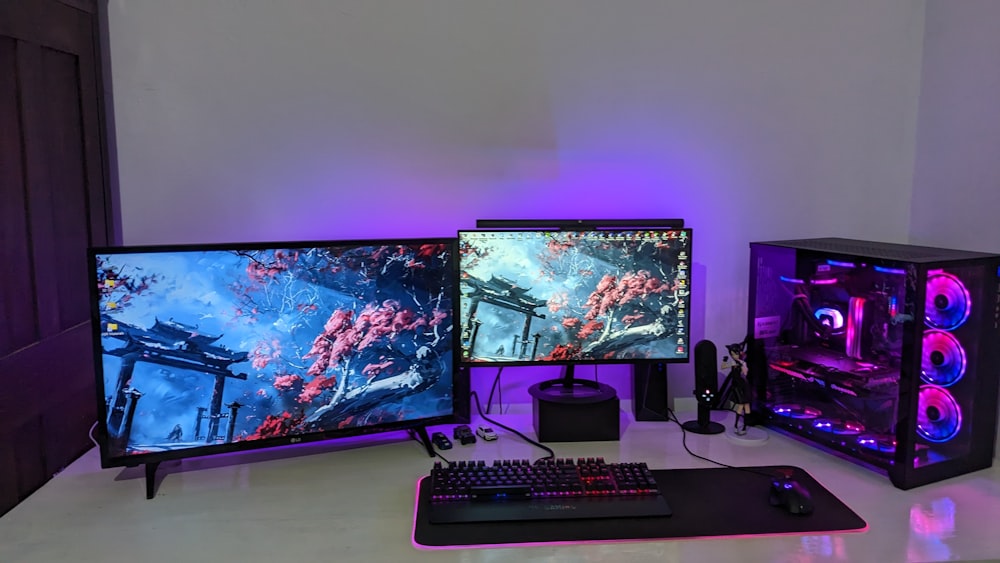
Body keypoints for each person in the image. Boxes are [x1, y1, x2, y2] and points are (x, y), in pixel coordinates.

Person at [726, 340, 751, 435]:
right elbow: (724, 366)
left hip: (743, 385)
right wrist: (725, 361)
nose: (733, 356)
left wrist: (742, 366)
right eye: (732, 354)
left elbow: (745, 373)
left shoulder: (742, 363)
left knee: (746, 406)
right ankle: (736, 426)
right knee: (741, 405)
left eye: (734, 354)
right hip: (737, 386)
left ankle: (744, 426)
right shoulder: (734, 363)